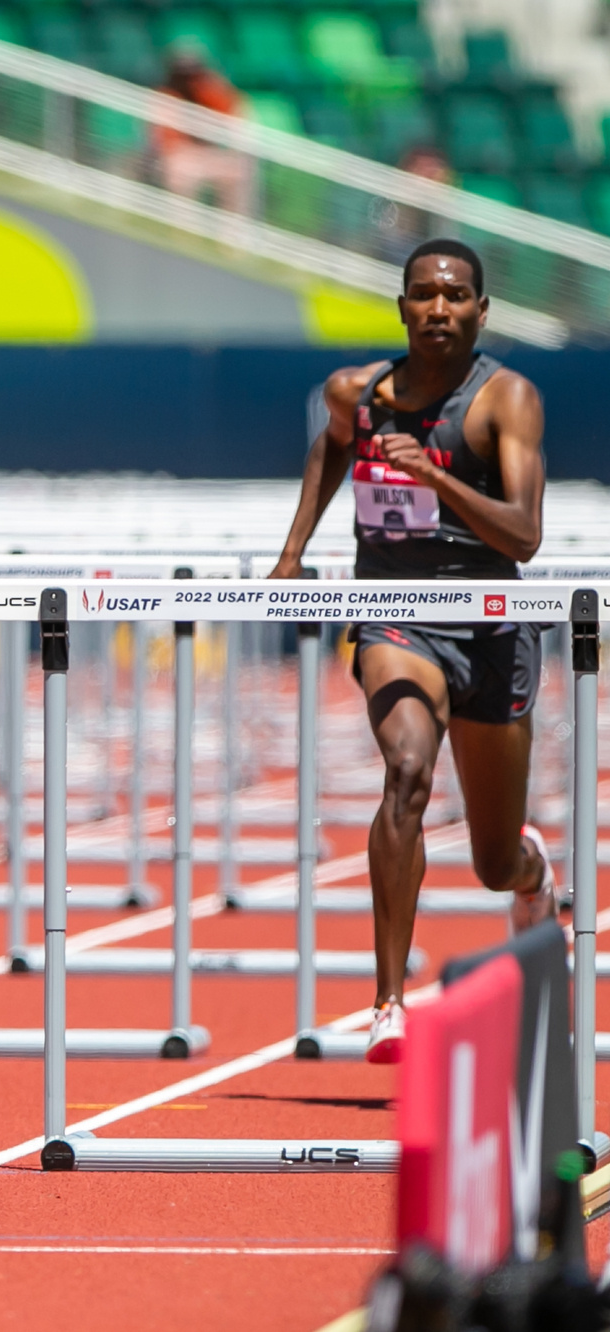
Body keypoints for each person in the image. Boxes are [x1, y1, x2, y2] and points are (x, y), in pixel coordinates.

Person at [272, 239, 553, 1065]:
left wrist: (436, 479)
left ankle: (533, 875)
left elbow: (526, 535)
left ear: (481, 309)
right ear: (401, 306)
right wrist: (294, 553)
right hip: (394, 615)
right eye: (425, 295)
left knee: (494, 862)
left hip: (492, 626)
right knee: (405, 769)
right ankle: (389, 1002)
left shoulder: (507, 400)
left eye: (457, 296)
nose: (440, 309)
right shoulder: (355, 393)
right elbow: (330, 445)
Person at [154, 41, 251, 217]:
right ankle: (183, 227)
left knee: (237, 170)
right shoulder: (166, 97)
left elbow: (235, 120)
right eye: (183, 74)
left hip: (209, 155)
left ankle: (232, 232)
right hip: (180, 157)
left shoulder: (211, 91)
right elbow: (168, 145)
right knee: (181, 172)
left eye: (192, 73)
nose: (188, 80)